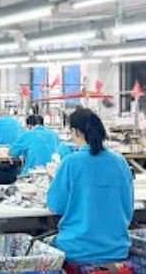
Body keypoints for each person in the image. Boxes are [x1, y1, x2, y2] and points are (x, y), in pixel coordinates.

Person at [47, 108, 133, 264]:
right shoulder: (121, 163)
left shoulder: (71, 162)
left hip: (78, 248)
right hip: (117, 248)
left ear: (75, 131)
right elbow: (128, 206)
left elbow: (55, 205)